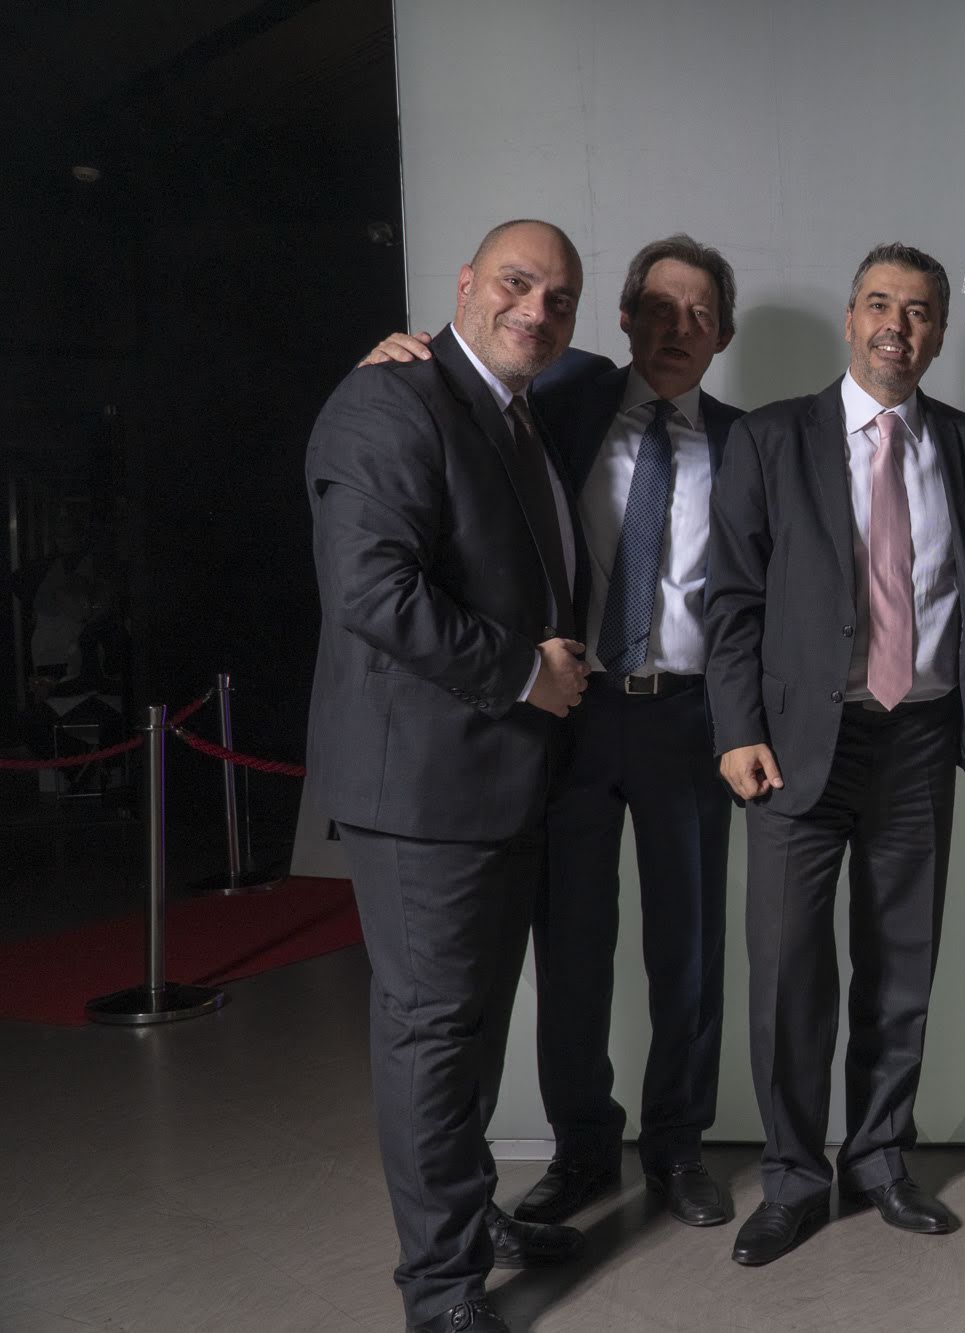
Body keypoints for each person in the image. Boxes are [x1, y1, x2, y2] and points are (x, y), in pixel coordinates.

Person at [362, 235, 747, 1230]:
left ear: (723, 335)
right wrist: (394, 351)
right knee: (570, 945)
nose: (676, 329)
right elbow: (460, 381)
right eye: (658, 308)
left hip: (689, 718)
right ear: (622, 318)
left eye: (700, 315)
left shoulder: (750, 443)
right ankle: (582, 1149)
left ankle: (677, 1146)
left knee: (688, 949)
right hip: (569, 712)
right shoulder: (559, 399)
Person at [305, 219, 591, 1333]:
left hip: (501, 782)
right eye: (516, 283)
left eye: (558, 298)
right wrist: (525, 673)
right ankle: (441, 1292)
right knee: (431, 1037)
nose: (536, 310)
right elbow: (371, 593)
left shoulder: (516, 404)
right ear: (465, 283)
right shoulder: (390, 400)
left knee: (469, 1033)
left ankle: (465, 1222)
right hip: (425, 789)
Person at [704, 242, 965, 1266]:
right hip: (793, 745)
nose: (895, 327)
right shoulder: (772, 437)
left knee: (900, 965)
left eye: (917, 311)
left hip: (919, 738)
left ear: (939, 332)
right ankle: (793, 1176)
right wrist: (736, 727)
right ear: (850, 317)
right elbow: (731, 597)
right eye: (879, 304)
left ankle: (878, 1158)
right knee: (788, 970)